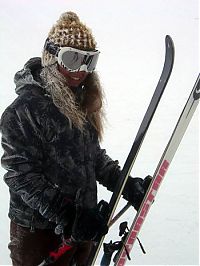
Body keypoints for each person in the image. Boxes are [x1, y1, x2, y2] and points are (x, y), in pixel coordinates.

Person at [0, 11, 151, 266]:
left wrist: (125, 185)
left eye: (89, 61)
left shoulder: (79, 102)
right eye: (72, 58)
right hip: (39, 233)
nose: (80, 70)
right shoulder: (24, 109)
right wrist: (68, 215)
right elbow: (21, 176)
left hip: (82, 226)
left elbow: (93, 157)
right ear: (51, 56)